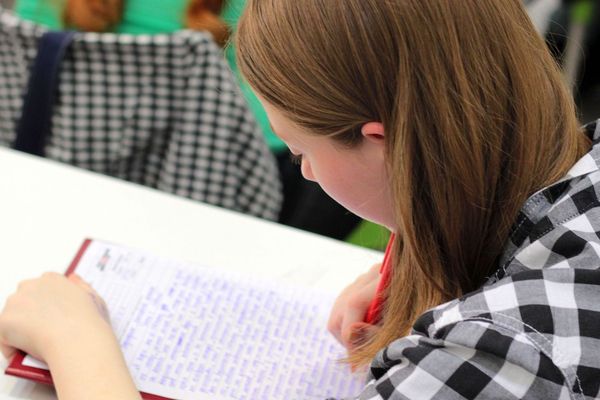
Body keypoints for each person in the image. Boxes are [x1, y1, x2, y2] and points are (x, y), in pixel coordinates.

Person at [1, 0, 600, 398]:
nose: (305, 174)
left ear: (383, 141)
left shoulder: (485, 362)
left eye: (298, 150)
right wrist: (436, 256)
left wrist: (75, 342)